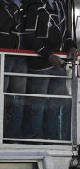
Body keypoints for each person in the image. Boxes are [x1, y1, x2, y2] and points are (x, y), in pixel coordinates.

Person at [22, 0, 78, 140]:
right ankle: (34, 139)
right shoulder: (34, 4)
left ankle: (51, 138)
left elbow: (66, 33)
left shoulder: (61, 5)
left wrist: (71, 46)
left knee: (54, 105)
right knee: (37, 105)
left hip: (58, 64)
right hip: (40, 64)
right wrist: (47, 55)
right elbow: (29, 36)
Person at [0, 0, 27, 138]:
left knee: (19, 98)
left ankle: (14, 136)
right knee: (1, 97)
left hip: (20, 58)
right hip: (4, 57)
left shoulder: (24, 6)